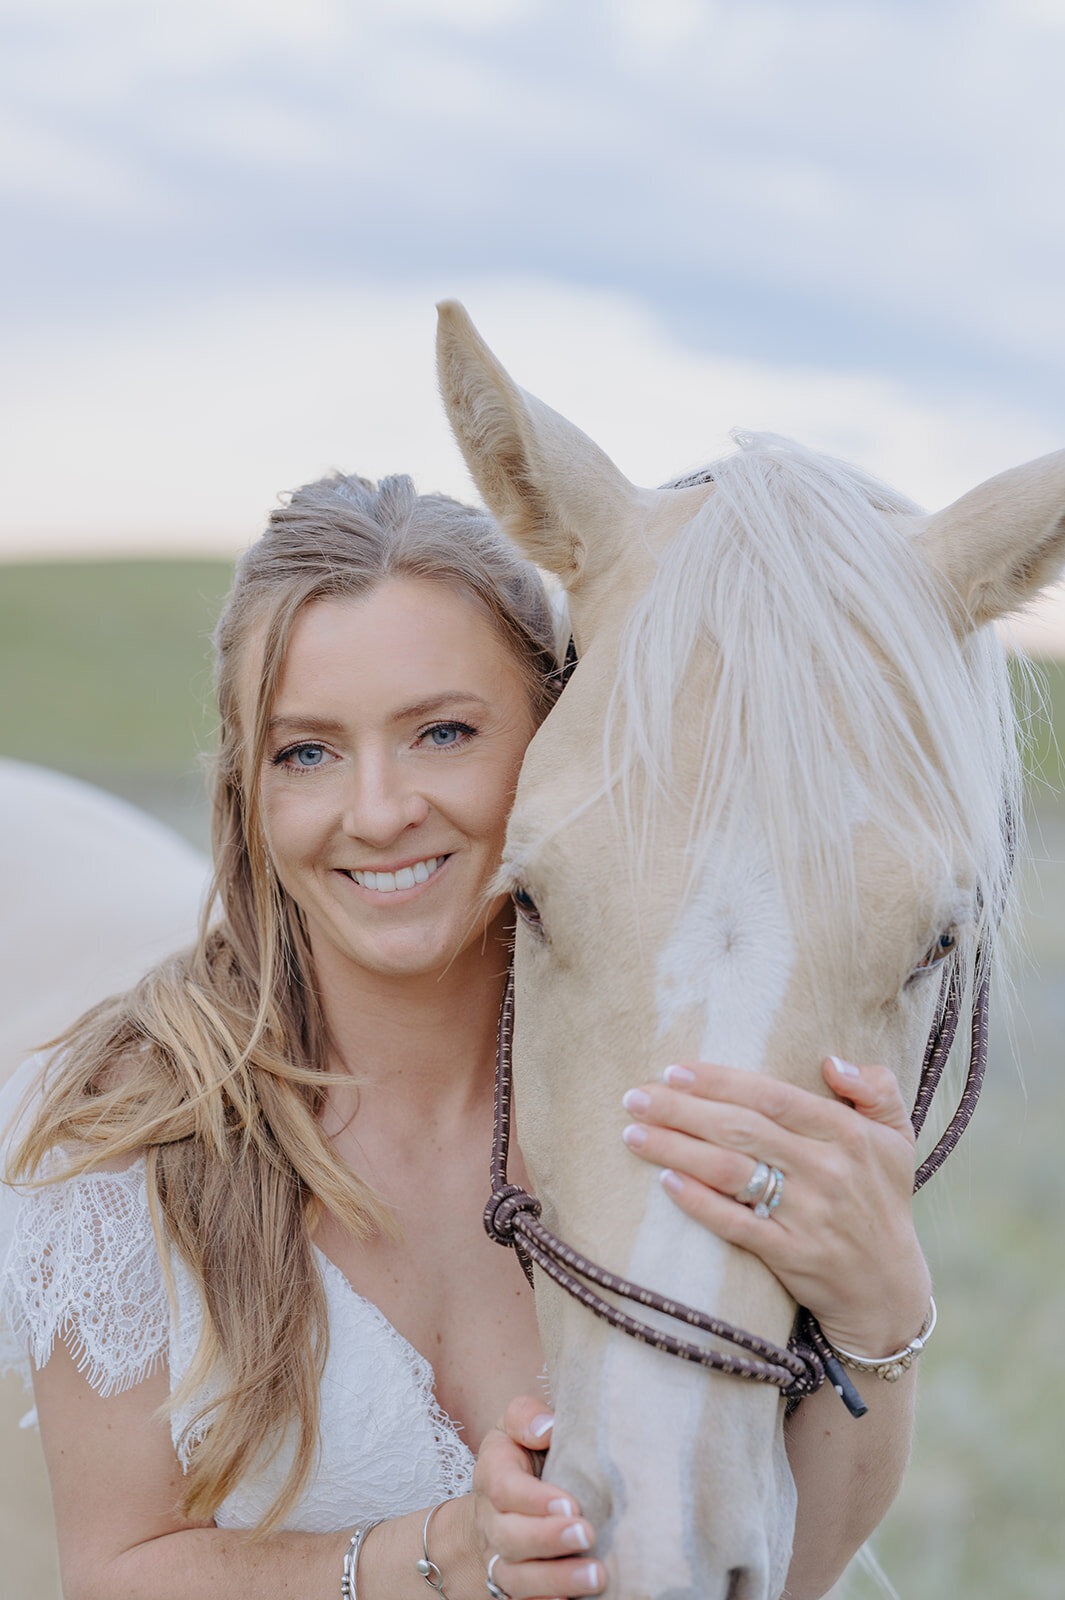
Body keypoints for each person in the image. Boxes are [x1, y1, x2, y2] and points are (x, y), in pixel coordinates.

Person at [0, 471, 931, 1600]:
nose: (380, 808)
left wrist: (882, 1311)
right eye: (308, 752)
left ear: (550, 737)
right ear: (249, 789)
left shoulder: (665, 1084)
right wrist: (435, 1554)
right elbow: (113, 1572)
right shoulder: (130, 1130)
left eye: (442, 732)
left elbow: (783, 1569)